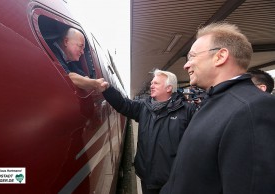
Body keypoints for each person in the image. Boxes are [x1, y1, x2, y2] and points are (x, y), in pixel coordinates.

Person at [160, 22, 275, 194]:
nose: (186, 65)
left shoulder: (253, 108)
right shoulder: (216, 101)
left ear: (220, 56)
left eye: (192, 56)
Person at [98, 69, 196, 194]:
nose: (151, 85)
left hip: (173, 180)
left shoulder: (187, 111)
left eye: (156, 83)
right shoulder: (143, 107)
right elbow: (123, 104)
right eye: (151, 83)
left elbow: (197, 144)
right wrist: (107, 90)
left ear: (168, 88)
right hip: (147, 178)